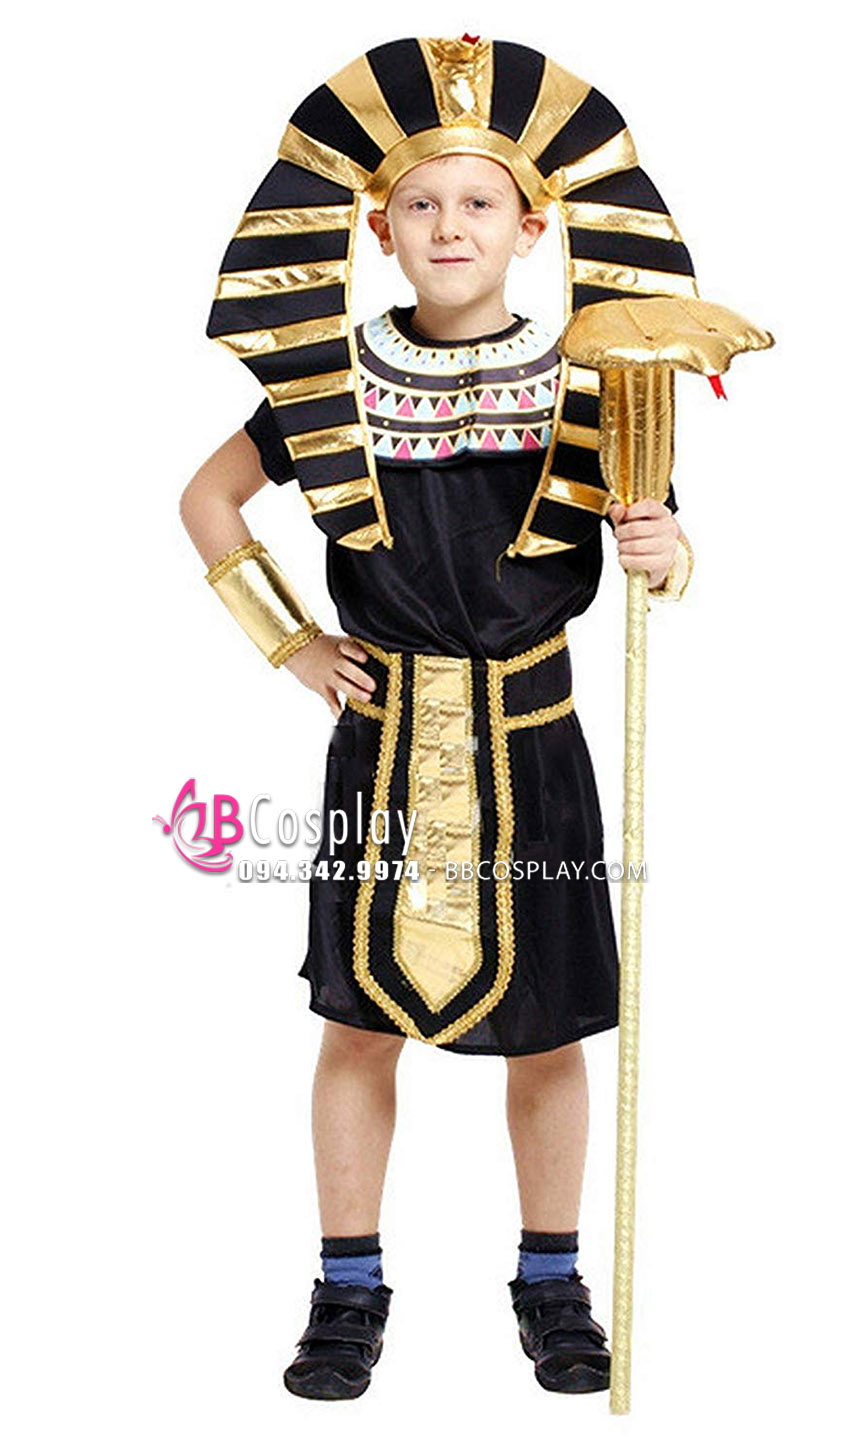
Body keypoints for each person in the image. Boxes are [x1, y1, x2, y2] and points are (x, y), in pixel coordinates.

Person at [181, 36, 695, 1400]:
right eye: (420, 203)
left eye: (477, 202)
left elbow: (664, 548)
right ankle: (346, 1287)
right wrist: (292, 642)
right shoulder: (333, 384)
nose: (449, 225)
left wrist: (663, 554)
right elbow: (207, 500)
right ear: (378, 229)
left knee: (551, 1024)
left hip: (537, 746)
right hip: (382, 745)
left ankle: (551, 1279)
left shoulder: (597, 384)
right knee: (359, 1019)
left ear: (533, 227)